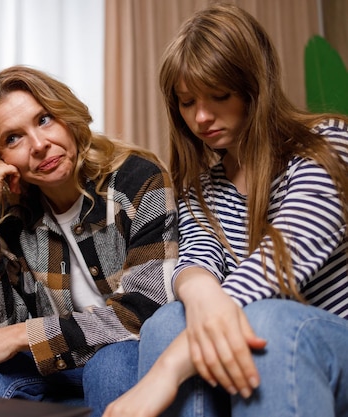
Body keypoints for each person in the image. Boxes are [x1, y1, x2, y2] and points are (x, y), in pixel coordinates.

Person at [104, 3, 348, 417]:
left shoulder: (328, 146)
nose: (201, 117)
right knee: (167, 321)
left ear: (257, 86)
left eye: (220, 96)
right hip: (248, 339)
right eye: (186, 102)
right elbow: (196, 261)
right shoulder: (203, 189)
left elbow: (280, 262)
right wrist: (199, 290)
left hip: (327, 339)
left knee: (268, 322)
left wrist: (168, 370)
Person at [0, 65, 178, 416]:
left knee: (110, 363)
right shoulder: (14, 220)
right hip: (62, 366)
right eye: (13, 138)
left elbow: (145, 311)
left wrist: (20, 336)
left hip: (134, 356)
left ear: (67, 117)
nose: (39, 145)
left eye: (44, 120)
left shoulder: (137, 180)